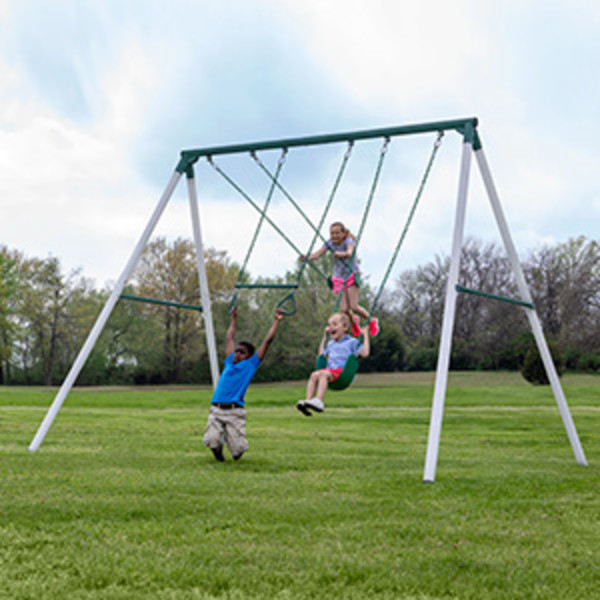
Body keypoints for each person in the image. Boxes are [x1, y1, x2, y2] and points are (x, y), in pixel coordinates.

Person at [203, 307, 285, 461]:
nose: (237, 353)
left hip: (234, 411)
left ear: (249, 356)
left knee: (238, 451)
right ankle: (218, 453)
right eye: (237, 351)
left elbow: (268, 341)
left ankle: (232, 441)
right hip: (217, 408)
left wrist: (276, 321)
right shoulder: (229, 362)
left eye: (242, 352)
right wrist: (234, 319)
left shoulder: (250, 365)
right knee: (212, 440)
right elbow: (229, 337)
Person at [301, 221, 379, 338]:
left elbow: (349, 252)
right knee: (344, 309)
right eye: (332, 233)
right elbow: (318, 254)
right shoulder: (330, 243)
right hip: (339, 278)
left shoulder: (348, 241)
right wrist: (307, 257)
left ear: (343, 233)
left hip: (351, 274)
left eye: (337, 233)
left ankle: (371, 320)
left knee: (353, 306)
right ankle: (354, 322)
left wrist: (341, 254)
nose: (335, 236)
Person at [296, 312, 370, 416]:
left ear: (345, 327)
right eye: (329, 325)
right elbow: (321, 354)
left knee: (323, 374)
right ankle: (308, 401)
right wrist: (324, 337)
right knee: (314, 375)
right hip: (330, 371)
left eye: (334, 324)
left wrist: (365, 335)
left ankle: (319, 401)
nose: (331, 328)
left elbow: (365, 353)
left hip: (342, 373)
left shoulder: (351, 342)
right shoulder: (330, 343)